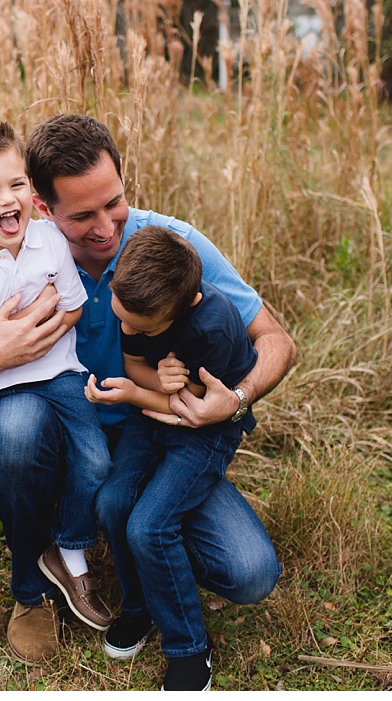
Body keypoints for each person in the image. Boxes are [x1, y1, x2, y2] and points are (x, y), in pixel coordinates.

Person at [0, 113, 296, 669]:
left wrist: (240, 395)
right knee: (15, 424)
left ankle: (111, 538)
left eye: (115, 203)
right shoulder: (25, 257)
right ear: (43, 206)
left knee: (249, 573)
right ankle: (33, 571)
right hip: (63, 442)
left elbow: (276, 340)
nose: (106, 228)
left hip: (153, 442)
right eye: (82, 215)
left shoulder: (167, 249)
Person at [0, 118, 113, 651]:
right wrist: (10, 343)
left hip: (58, 372)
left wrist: (43, 327)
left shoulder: (50, 240)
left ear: (33, 190)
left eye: (16, 185)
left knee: (96, 460)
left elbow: (74, 306)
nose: (8, 200)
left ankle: (68, 551)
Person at [84, 224, 258, 691]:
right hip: (152, 413)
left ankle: (189, 649)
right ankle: (139, 606)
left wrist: (139, 393)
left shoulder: (214, 326)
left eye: (140, 328)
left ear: (183, 309)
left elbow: (193, 410)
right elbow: (137, 363)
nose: (126, 328)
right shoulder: (137, 299)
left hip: (204, 431)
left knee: (150, 526)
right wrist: (150, 379)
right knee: (113, 503)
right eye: (123, 317)